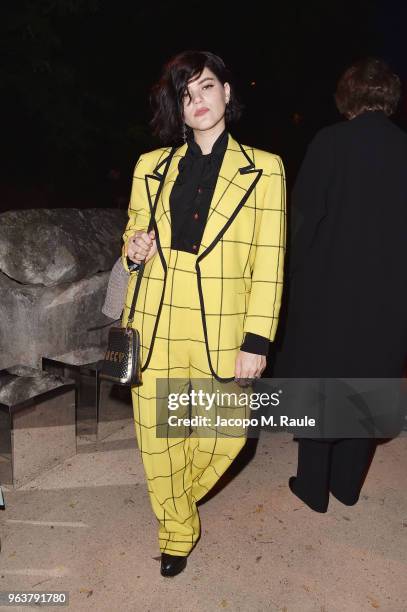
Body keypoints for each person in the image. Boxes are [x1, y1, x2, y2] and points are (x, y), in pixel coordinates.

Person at [121, 50, 286, 576]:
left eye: (207, 87)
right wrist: (135, 247)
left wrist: (257, 341)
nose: (197, 101)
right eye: (186, 94)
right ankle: (176, 532)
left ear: (227, 93)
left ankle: (174, 500)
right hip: (157, 315)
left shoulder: (265, 170)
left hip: (224, 325)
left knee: (228, 433)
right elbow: (130, 235)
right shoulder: (152, 166)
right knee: (158, 436)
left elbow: (269, 263)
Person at [273, 57, 407, 512]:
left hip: (331, 288)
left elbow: (305, 218)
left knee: (323, 383)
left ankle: (313, 487)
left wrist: (293, 280)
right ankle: (347, 486)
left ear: (346, 96)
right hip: (390, 294)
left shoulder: (330, 142)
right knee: (370, 379)